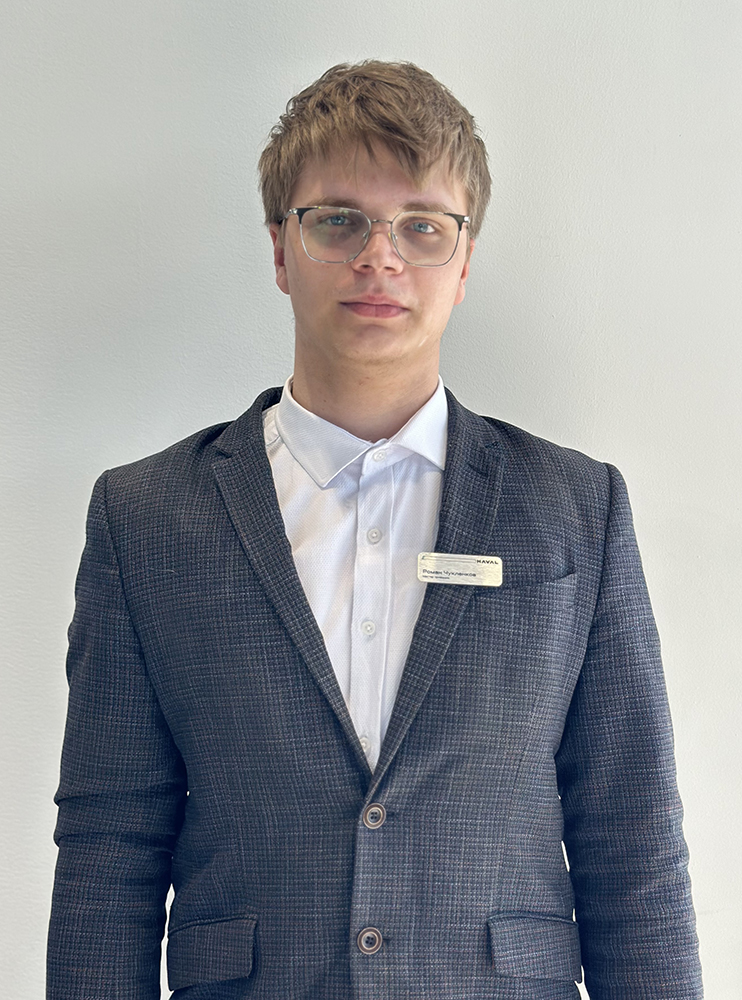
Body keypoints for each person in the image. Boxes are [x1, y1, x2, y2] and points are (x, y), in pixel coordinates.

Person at [47, 61, 703, 1000]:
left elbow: (632, 838)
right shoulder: (146, 518)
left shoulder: (574, 508)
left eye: (422, 227)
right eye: (338, 221)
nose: (380, 258)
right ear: (281, 250)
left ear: (464, 263)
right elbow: (109, 847)